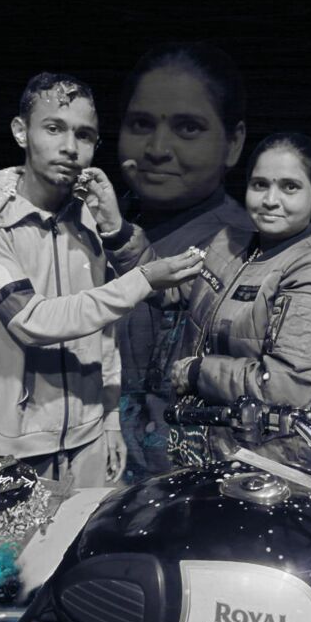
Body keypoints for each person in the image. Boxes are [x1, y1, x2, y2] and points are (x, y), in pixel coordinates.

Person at [0, 72, 202, 488]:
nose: (70, 147)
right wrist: (143, 278)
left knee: (89, 531)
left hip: (90, 435)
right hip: (19, 443)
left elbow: (103, 330)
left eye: (84, 135)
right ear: (21, 131)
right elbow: (32, 321)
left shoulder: (88, 214)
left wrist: (109, 419)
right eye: (54, 128)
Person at [87, 131, 311, 473]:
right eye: (260, 185)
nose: (271, 200)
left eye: (290, 187)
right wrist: (116, 229)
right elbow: (169, 289)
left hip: (277, 465)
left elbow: (287, 384)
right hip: (211, 450)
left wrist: (197, 372)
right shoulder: (230, 242)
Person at [114, 42, 254, 476]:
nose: (157, 148)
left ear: (233, 143)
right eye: (141, 124)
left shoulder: (245, 253)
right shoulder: (91, 224)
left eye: (188, 128)